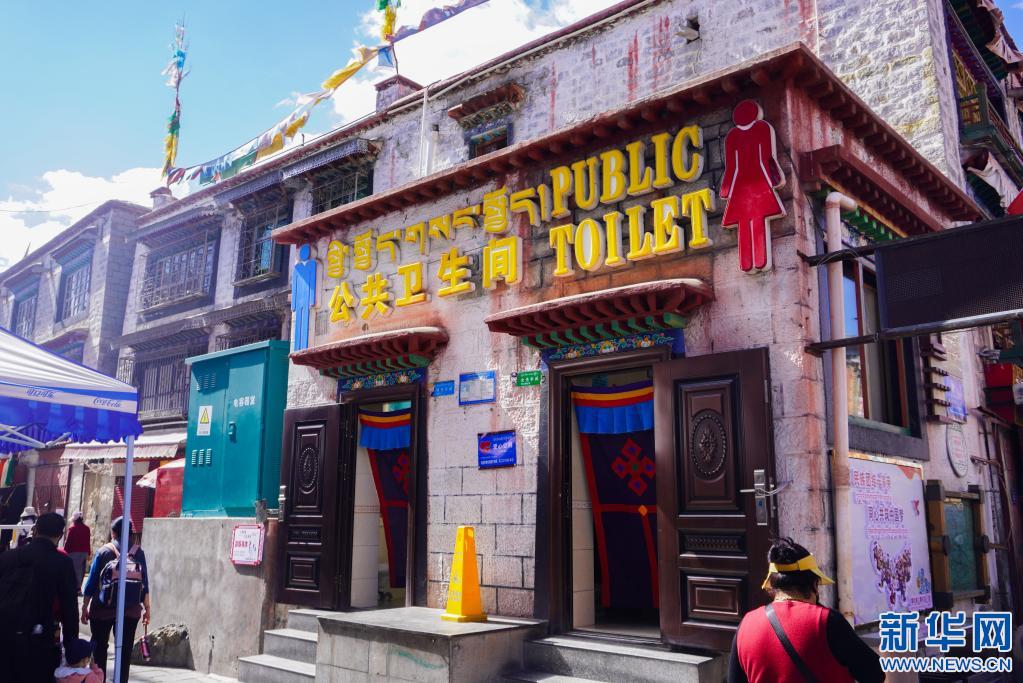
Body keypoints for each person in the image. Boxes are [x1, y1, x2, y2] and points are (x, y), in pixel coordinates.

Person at [727, 537, 884, 683]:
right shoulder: (826, 621)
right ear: (814, 584)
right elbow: (875, 673)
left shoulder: (746, 625)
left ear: (772, 587)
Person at [0, 512, 79, 683]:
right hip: (38, 638)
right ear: (60, 535)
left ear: (35, 530)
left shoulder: (7, 557)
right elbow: (69, 608)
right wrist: (71, 646)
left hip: (4, 635)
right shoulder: (62, 562)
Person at [80, 516, 151, 683]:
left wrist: (84, 606)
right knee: (125, 651)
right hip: (131, 610)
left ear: (113, 533)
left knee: (99, 649)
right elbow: (145, 583)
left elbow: (92, 582)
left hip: (102, 610)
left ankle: (100, 680)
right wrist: (147, 609)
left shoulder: (104, 551)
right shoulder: (138, 552)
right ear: (131, 533)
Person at [63, 512, 91, 593]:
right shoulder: (87, 528)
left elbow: (68, 542)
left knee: (74, 570)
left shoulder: (72, 528)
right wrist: (88, 553)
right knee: (81, 570)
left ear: (75, 520)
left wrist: (65, 551)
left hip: (73, 552)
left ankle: (75, 587)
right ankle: (78, 587)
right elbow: (88, 541)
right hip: (84, 552)